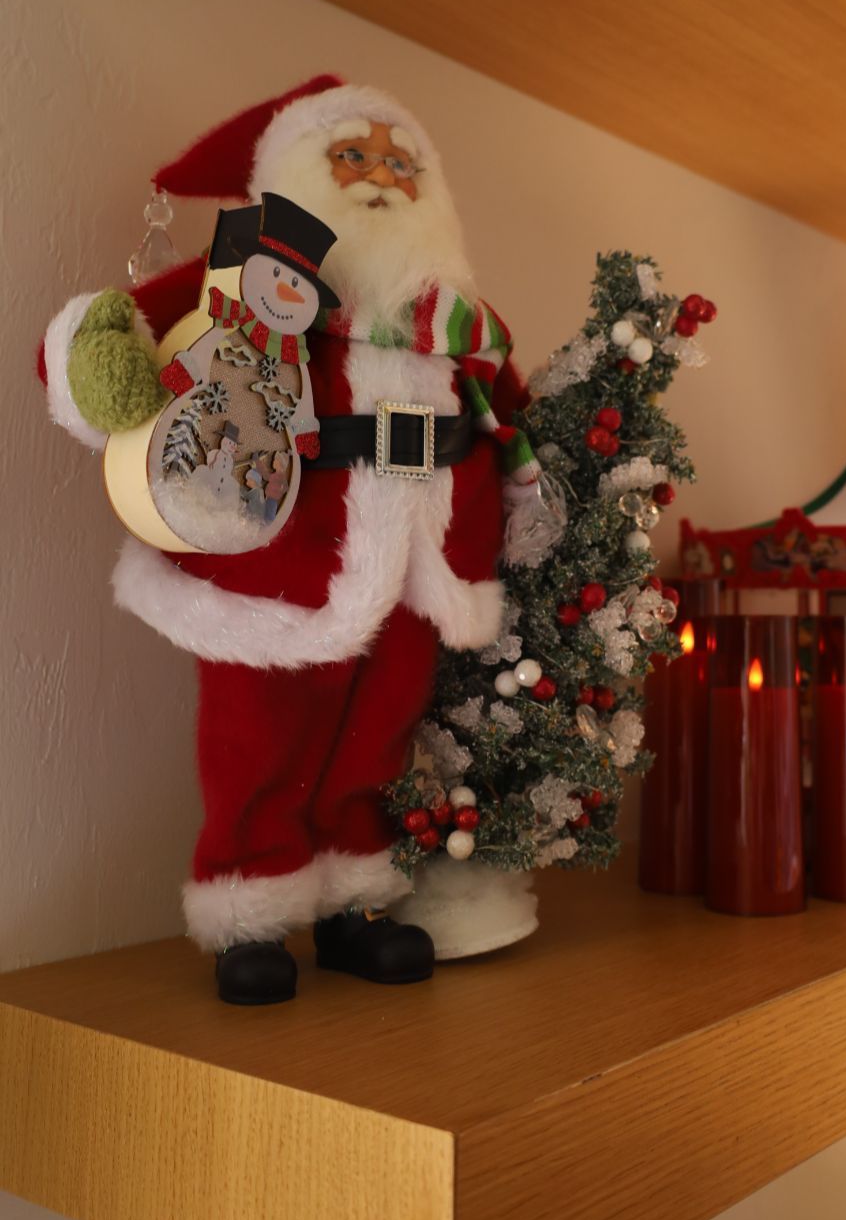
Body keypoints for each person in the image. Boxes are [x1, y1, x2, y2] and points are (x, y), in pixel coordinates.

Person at [42, 76, 536, 1004]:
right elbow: (106, 344)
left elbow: (504, 413)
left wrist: (532, 483)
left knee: (378, 739)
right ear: (296, 175)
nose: (382, 178)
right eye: (353, 157)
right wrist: (95, 362)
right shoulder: (250, 282)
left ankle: (356, 901)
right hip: (282, 562)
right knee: (256, 742)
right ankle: (250, 912)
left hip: (421, 567)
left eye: (401, 162)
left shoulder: (455, 319)